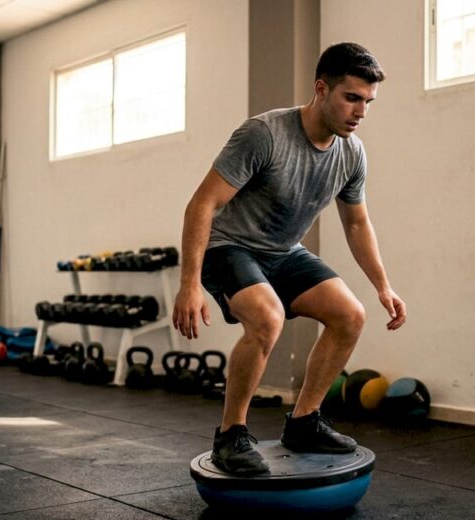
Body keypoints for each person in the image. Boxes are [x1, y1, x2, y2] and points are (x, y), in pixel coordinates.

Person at [173, 42, 406, 476]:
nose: (360, 112)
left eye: (368, 102)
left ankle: (303, 422)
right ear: (321, 89)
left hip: (284, 253)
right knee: (267, 318)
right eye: (351, 98)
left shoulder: (351, 154)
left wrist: (382, 285)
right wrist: (188, 284)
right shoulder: (263, 134)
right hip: (230, 247)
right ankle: (231, 435)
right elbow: (202, 205)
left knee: (350, 315)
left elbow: (356, 224)